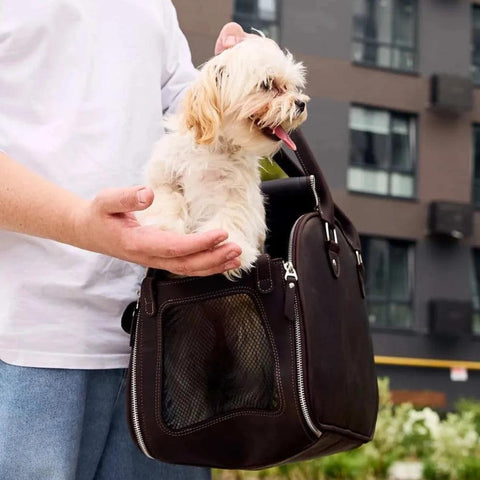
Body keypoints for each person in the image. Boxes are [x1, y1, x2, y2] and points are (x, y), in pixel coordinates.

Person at [0, 1, 251, 478]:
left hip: (161, 343)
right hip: (22, 343)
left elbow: (182, 113)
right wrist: (80, 223)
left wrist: (229, 87)